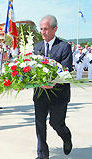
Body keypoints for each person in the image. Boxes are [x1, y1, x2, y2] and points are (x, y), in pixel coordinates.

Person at [33, 15, 73, 159]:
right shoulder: (36, 47)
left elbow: (67, 70)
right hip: (40, 94)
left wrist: (53, 83)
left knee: (56, 123)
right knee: (39, 124)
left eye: (46, 29)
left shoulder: (64, 47)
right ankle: (42, 155)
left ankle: (66, 136)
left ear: (55, 29)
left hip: (59, 95)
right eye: (41, 29)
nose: (43, 32)